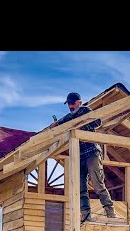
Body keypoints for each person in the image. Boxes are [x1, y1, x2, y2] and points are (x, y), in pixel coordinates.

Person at [50, 92, 117, 220]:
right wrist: (55, 125)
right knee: (81, 187)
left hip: (91, 152)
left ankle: (110, 211)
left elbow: (98, 122)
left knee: (97, 184)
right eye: (69, 104)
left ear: (79, 103)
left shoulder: (85, 110)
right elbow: (58, 124)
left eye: (73, 103)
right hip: (79, 156)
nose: (70, 106)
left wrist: (85, 120)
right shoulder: (69, 117)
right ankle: (85, 215)